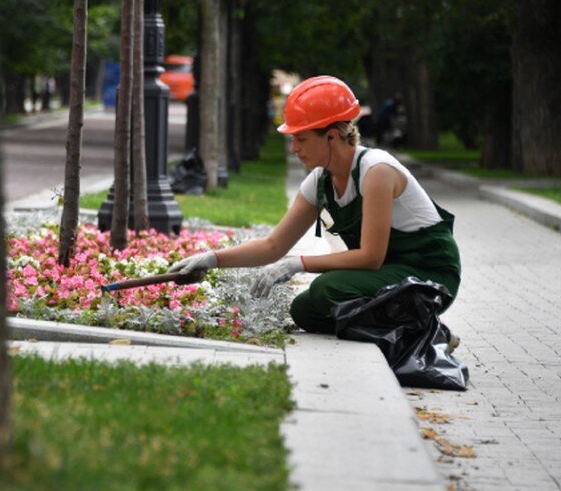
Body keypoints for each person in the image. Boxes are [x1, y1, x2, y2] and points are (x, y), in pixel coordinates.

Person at [168, 75, 461, 334]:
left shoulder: (376, 171)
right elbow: (273, 246)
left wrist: (299, 265)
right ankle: (406, 328)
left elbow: (372, 256)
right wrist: (211, 259)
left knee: (327, 289)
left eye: (301, 139)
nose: (294, 148)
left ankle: (425, 331)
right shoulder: (320, 181)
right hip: (391, 271)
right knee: (305, 310)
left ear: (332, 136)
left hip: (430, 277)